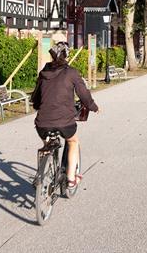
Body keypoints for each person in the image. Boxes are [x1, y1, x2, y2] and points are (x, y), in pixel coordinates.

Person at [31, 40, 99, 188]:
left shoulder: (43, 73)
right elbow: (83, 94)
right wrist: (93, 107)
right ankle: (71, 179)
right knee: (73, 142)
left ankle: (41, 173)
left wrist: (38, 107)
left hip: (42, 122)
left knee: (47, 144)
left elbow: (35, 97)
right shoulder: (72, 72)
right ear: (66, 56)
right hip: (65, 122)